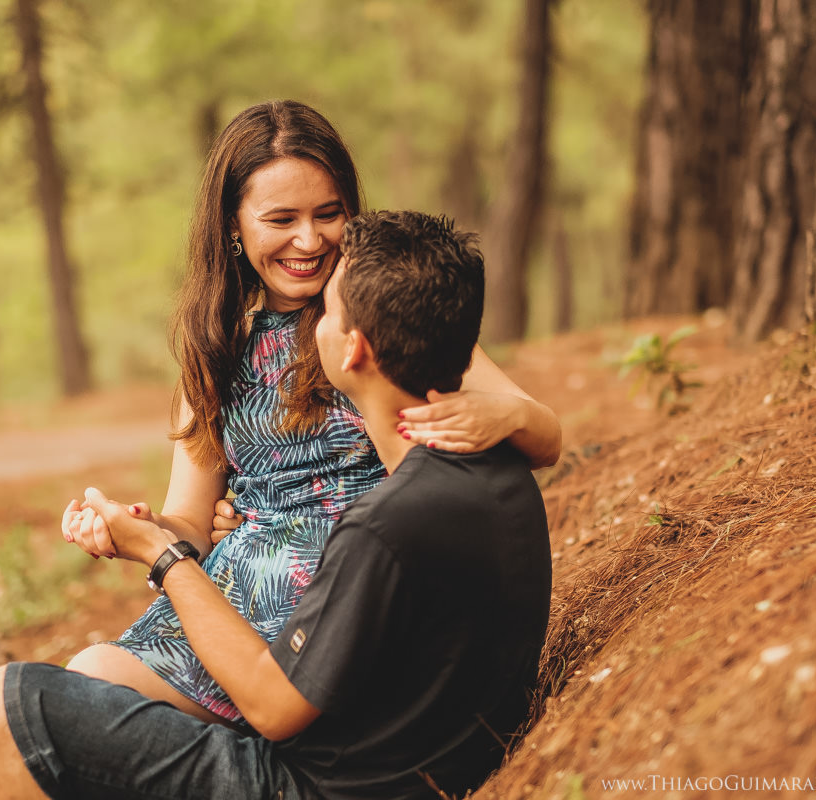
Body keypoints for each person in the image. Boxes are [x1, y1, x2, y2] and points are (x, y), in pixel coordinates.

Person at [0, 209, 552, 799]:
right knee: (89, 684)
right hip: (388, 759)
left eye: (329, 311)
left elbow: (273, 706)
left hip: (313, 783)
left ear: (353, 348)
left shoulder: (383, 528)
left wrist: (161, 554)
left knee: (2, 709)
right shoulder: (501, 477)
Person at [56, 100, 561, 725]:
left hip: (350, 600)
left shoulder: (383, 317)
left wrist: (504, 417)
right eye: (281, 219)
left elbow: (545, 436)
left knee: (92, 705)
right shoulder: (216, 350)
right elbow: (191, 521)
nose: (309, 239)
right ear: (233, 225)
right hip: (238, 599)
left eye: (328, 214)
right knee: (85, 685)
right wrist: (139, 529)